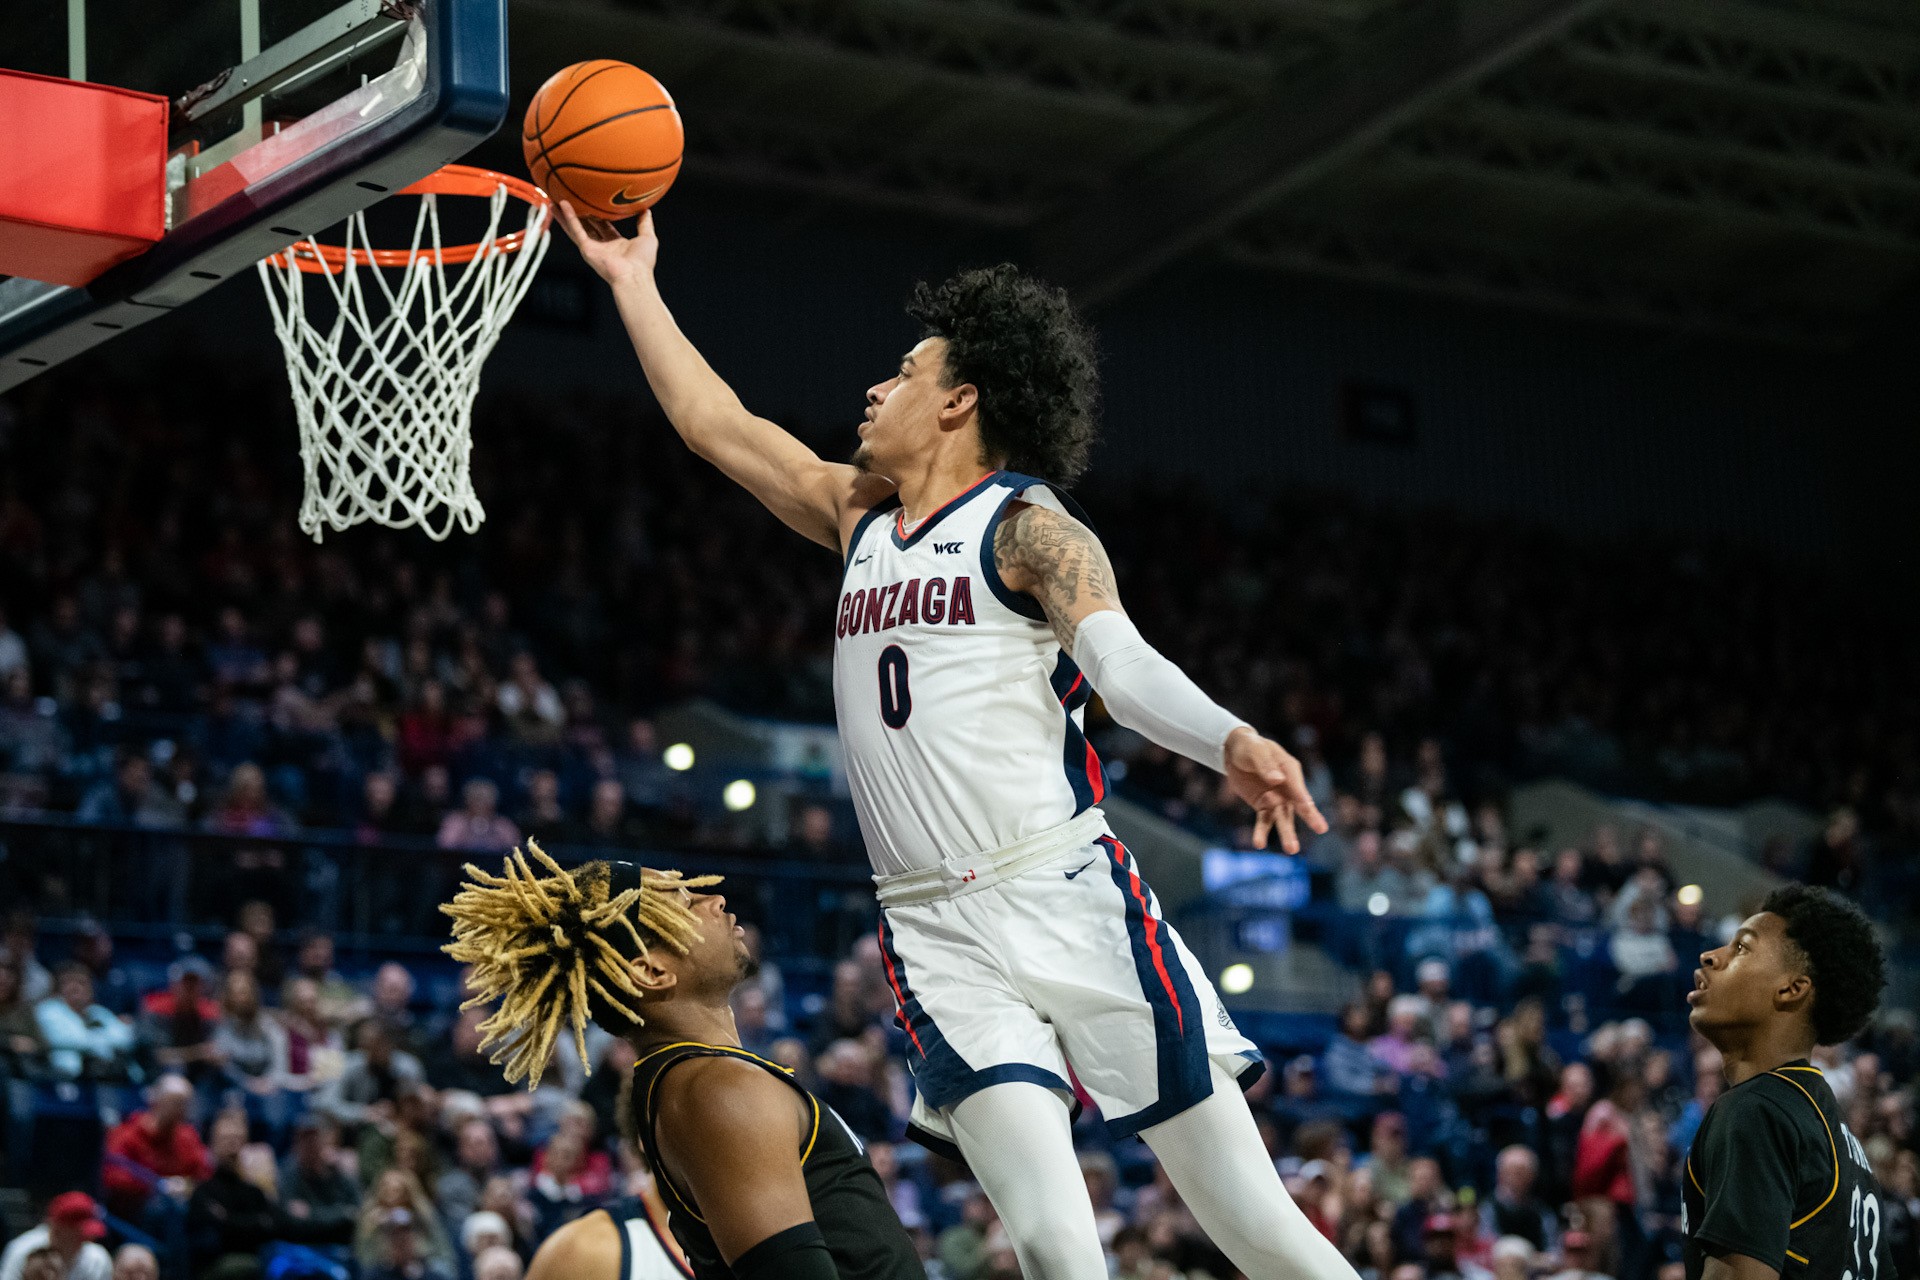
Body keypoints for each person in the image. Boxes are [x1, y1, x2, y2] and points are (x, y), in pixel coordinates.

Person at [558, 202, 1350, 1280]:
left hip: (1065, 891)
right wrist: (631, 281)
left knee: (1256, 1224)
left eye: (903, 370)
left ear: (960, 400)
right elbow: (718, 425)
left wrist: (1232, 738)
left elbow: (1122, 666)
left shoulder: (1030, 527)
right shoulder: (856, 516)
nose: (876, 387)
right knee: (1057, 1245)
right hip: (934, 927)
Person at [445, 848, 923, 1277]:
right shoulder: (713, 1090)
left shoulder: (696, 1079)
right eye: (682, 900)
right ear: (652, 971)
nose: (712, 898)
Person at [1681, 884, 1896, 1280]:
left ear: (1792, 987)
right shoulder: (1847, 1150)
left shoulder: (1758, 1110)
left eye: (1742, 948)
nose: (1710, 956)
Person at [0, 1193, 113, 1280]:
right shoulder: (22, 1250)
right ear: (57, 1229)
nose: (88, 1239)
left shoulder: (97, 1260)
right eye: (78, 1233)